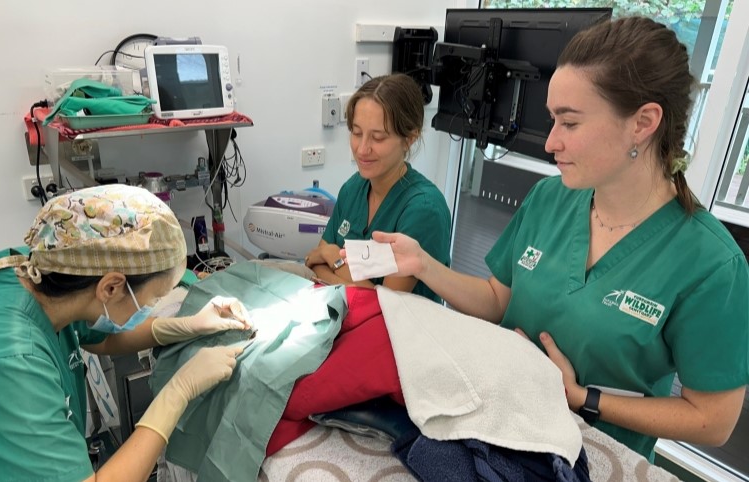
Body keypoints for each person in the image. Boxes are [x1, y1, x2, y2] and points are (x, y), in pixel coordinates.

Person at [363, 17, 749, 460]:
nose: (549, 143)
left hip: (590, 455)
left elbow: (713, 420)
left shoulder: (711, 264)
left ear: (643, 122)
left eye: (570, 123)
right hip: (496, 426)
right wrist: (423, 265)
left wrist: (583, 399)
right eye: (552, 121)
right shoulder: (551, 198)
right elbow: (497, 299)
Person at [0, 184, 253, 482]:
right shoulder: (8, 363)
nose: (152, 307)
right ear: (110, 287)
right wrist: (180, 390)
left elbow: (101, 336)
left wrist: (188, 325)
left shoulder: (43, 272)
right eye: (153, 299)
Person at [305, 73, 451, 302]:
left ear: (409, 138)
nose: (362, 149)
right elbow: (315, 264)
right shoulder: (354, 188)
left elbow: (384, 306)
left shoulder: (424, 209)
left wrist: (335, 259)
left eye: (378, 138)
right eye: (356, 133)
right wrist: (334, 263)